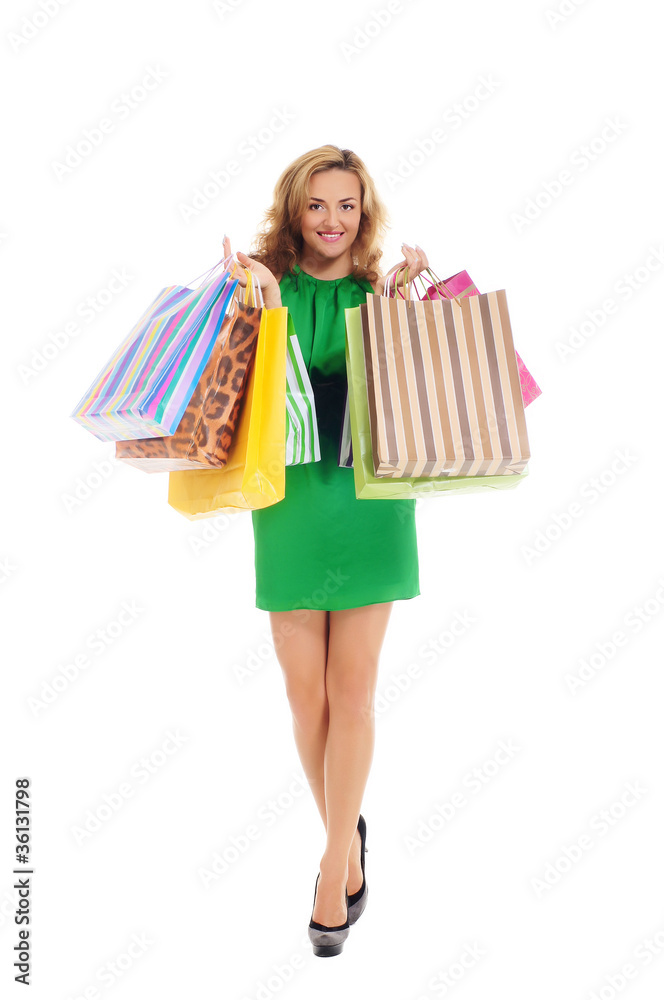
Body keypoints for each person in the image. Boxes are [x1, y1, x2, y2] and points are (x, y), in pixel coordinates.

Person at [224, 145, 430, 957]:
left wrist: (402, 306)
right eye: (318, 206)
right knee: (304, 698)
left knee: (354, 694)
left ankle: (332, 867)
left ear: (364, 213)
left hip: (369, 500)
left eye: (348, 206)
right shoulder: (260, 288)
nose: (333, 221)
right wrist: (263, 305)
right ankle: (348, 838)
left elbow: (410, 394)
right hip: (290, 504)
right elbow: (245, 389)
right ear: (294, 211)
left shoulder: (376, 294)